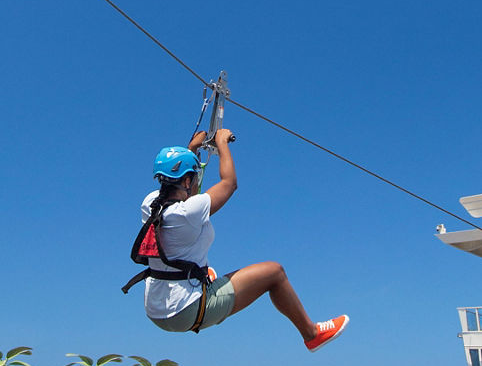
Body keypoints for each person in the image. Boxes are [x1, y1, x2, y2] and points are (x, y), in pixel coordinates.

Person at [133, 129, 348, 350]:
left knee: (199, 264)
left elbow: (190, 192)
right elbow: (229, 184)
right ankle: (312, 334)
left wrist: (193, 150)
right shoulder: (189, 212)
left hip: (155, 308)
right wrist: (222, 143)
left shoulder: (149, 203)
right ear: (187, 181)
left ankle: (204, 279)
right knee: (274, 272)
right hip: (184, 311)